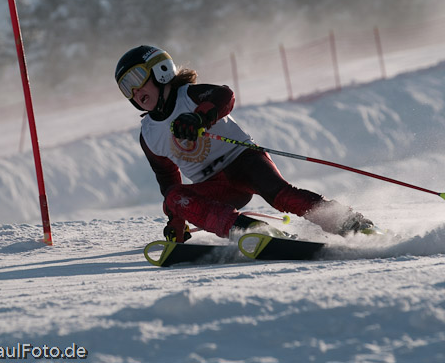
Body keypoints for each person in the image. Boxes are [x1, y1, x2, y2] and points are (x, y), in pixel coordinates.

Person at [114, 45, 374, 242]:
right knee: (172, 199)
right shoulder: (149, 133)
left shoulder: (189, 96)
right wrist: (177, 220)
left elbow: (224, 96)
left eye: (136, 79)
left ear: (161, 71)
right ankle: (247, 231)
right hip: (216, 187)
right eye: (126, 87)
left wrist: (200, 117)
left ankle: (350, 223)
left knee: (282, 195)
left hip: (244, 162)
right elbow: (167, 178)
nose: (135, 92)